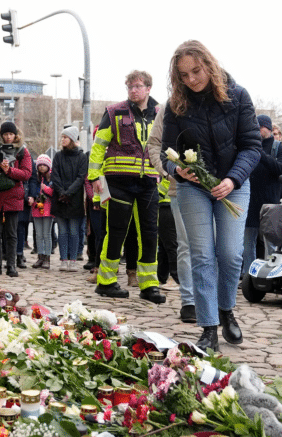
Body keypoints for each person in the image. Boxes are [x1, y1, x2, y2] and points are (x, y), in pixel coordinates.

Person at [160, 40, 261, 350]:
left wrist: (232, 179)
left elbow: (252, 146)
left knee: (230, 255)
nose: (192, 79)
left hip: (234, 185)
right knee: (202, 255)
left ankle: (226, 309)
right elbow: (166, 151)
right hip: (194, 187)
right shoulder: (177, 104)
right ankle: (208, 329)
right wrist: (176, 170)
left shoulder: (238, 96)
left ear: (209, 64)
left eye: (196, 71)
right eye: (184, 75)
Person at [89, 70, 165, 304]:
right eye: (130, 86)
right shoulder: (114, 112)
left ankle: (149, 285)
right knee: (116, 232)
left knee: (150, 233)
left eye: (138, 86)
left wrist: (166, 173)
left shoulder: (161, 113)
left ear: (148, 88)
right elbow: (99, 145)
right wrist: (94, 176)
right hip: (118, 181)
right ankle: (106, 282)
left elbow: (167, 143)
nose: (133, 90)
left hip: (149, 182)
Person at [148, 107, 197, 322]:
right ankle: (190, 301)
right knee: (185, 244)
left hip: (217, 188)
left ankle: (215, 301)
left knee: (218, 250)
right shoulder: (170, 106)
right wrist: (168, 171)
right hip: (181, 187)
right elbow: (154, 142)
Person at [0, 121, 32, 277]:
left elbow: (26, 174)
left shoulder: (22, 151)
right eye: (5, 134)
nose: (8, 137)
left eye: (11, 134)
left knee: (12, 233)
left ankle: (11, 265)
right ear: (1, 135)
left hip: (13, 195)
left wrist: (9, 170)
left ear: (16, 135)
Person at [243, 114, 282, 273]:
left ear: (268, 128)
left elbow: (281, 169)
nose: (256, 130)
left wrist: (261, 154)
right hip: (250, 201)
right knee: (248, 242)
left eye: (259, 127)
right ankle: (248, 274)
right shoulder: (250, 146)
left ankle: (272, 272)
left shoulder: (279, 148)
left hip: (270, 202)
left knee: (270, 242)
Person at [51, 126, 88, 272]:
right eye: (62, 137)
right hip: (60, 199)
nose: (62, 140)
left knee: (74, 231)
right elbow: (55, 175)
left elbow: (81, 178)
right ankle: (63, 259)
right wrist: (61, 192)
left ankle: (73, 259)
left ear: (72, 138)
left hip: (74, 200)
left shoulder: (81, 157)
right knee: (62, 232)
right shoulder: (58, 156)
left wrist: (69, 193)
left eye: (65, 137)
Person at [31, 154, 54, 269]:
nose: (42, 167)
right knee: (38, 234)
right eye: (40, 165)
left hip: (48, 209)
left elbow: (54, 192)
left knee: (47, 234)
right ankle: (40, 257)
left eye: (44, 165)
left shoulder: (52, 178)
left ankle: (47, 258)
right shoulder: (35, 178)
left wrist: (46, 189)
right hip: (37, 208)